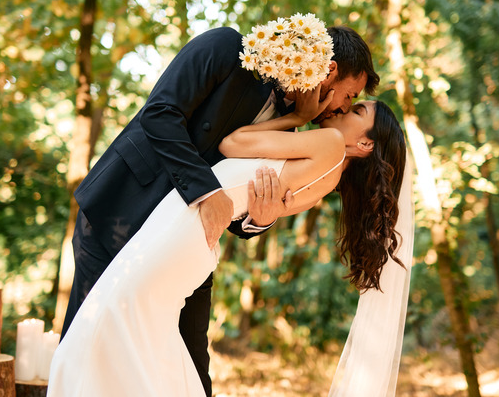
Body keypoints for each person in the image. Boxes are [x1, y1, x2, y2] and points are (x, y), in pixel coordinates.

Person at [63, 24, 380, 395]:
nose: (342, 106)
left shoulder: (292, 136)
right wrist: (206, 192)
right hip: (120, 212)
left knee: (193, 370)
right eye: (350, 94)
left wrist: (260, 221)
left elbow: (236, 211)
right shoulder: (227, 48)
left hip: (188, 247)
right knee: (88, 348)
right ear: (328, 70)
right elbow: (160, 114)